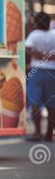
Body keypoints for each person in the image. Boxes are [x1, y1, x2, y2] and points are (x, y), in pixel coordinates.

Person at [25, 12, 55, 142]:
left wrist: (37, 55)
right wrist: (48, 56)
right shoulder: (54, 35)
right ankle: (49, 132)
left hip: (36, 70)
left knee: (35, 102)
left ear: (37, 22)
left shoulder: (34, 35)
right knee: (52, 104)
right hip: (52, 71)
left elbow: (27, 49)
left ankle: (37, 132)